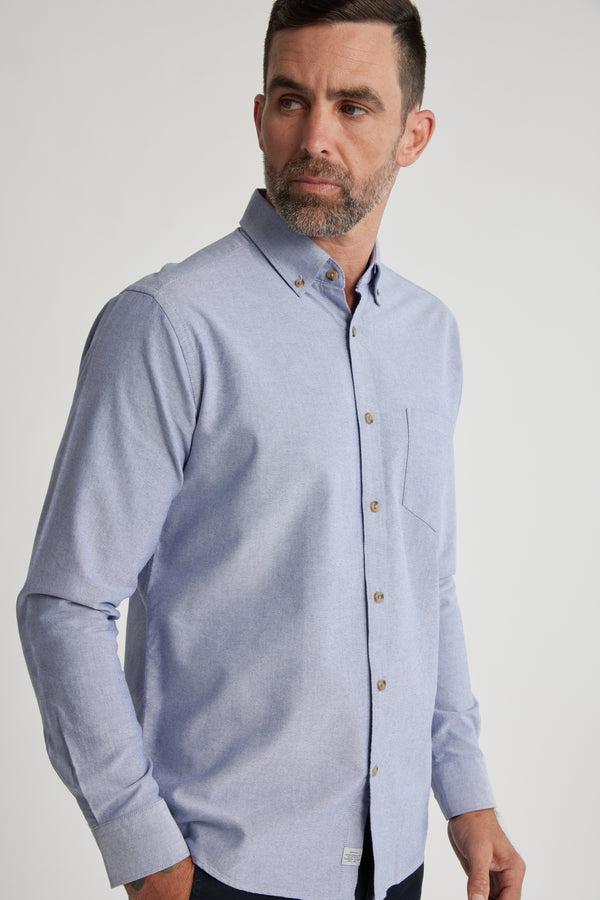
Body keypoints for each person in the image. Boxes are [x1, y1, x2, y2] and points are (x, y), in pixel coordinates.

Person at [17, 2, 526, 899]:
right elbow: (66, 603)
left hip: (395, 861)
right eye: (292, 101)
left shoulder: (429, 335)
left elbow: (425, 578)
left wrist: (466, 793)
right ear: (260, 117)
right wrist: (151, 859)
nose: (316, 137)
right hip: (223, 869)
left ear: (415, 135)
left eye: (355, 107)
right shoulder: (171, 326)